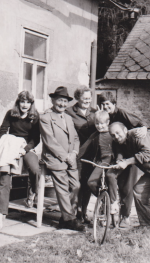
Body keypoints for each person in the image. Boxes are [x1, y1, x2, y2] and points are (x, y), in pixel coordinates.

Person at [0, 91, 40, 235]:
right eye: (22, 101)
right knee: (4, 180)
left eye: (28, 102)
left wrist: (24, 149)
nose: (25, 105)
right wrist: (13, 142)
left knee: (35, 169)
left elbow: (36, 139)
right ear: (18, 102)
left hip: (26, 149)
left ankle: (32, 193)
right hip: (11, 149)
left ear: (31, 104)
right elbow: (1, 133)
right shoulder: (10, 114)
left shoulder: (35, 117)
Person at [98, 91, 148, 227]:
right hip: (119, 153)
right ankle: (113, 205)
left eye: (107, 104)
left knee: (127, 187)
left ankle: (125, 217)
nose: (105, 107)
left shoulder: (122, 114)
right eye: (102, 105)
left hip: (131, 154)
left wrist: (143, 128)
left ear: (114, 103)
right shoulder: (106, 117)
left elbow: (140, 123)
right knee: (110, 176)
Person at [39, 86, 85, 232]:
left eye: (65, 101)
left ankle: (65, 216)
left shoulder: (68, 118)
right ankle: (70, 219)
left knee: (76, 186)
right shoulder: (45, 118)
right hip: (55, 158)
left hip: (71, 157)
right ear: (53, 100)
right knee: (63, 187)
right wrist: (65, 157)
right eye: (60, 100)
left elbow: (76, 138)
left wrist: (74, 153)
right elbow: (49, 142)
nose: (62, 104)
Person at [66, 86, 96, 223]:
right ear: (78, 98)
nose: (87, 101)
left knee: (87, 183)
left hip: (91, 153)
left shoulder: (94, 112)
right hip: (76, 152)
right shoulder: (69, 112)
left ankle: (83, 212)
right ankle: (72, 213)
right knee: (75, 184)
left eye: (89, 99)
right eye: (84, 98)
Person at [78, 110, 118, 214]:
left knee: (99, 181)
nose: (99, 126)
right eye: (97, 124)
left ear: (108, 122)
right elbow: (84, 148)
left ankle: (110, 201)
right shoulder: (95, 135)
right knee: (91, 183)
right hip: (100, 162)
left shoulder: (112, 133)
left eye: (102, 124)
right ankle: (104, 199)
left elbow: (120, 146)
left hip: (110, 161)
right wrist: (76, 156)